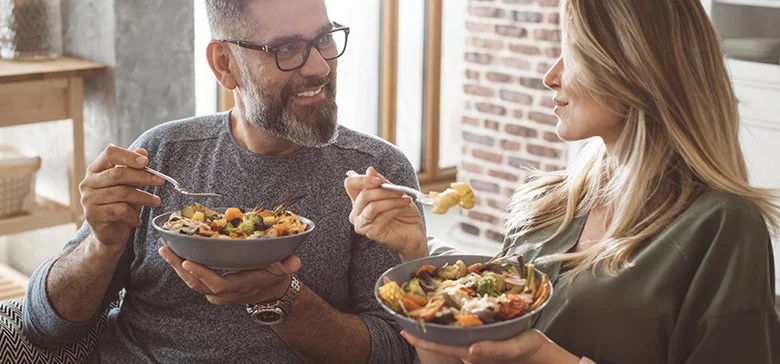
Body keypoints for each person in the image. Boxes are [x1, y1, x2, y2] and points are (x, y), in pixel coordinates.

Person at [345, 1, 780, 363]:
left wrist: (551, 360)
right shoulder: (548, 202)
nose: (550, 76)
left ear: (636, 67)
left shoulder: (723, 226)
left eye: (572, 54)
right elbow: (469, 352)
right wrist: (417, 261)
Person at [21, 0, 420, 362]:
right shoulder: (161, 155)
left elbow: (397, 352)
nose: (319, 66)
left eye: (324, 38)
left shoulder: (379, 178)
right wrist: (99, 245)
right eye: (286, 49)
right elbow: (44, 326)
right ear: (224, 64)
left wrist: (282, 299)